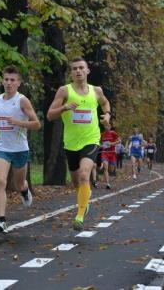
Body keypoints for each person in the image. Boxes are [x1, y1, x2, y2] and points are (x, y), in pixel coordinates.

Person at [46, 57, 111, 231]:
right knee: (77, 183)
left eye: (81, 68)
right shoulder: (64, 91)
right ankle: (84, 198)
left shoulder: (96, 91)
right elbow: (50, 115)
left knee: (84, 175)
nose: (78, 71)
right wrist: (64, 108)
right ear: (71, 72)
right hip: (71, 143)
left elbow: (104, 103)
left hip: (91, 139)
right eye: (74, 68)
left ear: (87, 71)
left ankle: (79, 216)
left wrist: (107, 115)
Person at [0, 65, 41, 233]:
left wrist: (17, 122)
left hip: (20, 149)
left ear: (18, 83)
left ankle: (24, 190)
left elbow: (36, 124)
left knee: (19, 184)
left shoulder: (22, 100)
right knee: (1, 181)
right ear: (2, 81)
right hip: (2, 148)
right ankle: (1, 220)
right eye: (6, 80)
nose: (8, 83)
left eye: (12, 80)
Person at [100, 123, 120, 189]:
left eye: (108, 126)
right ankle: (107, 184)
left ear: (110, 126)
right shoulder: (102, 134)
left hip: (112, 153)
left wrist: (112, 143)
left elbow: (119, 141)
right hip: (104, 152)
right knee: (105, 167)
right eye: (105, 125)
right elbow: (99, 143)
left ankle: (106, 176)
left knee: (111, 170)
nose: (106, 127)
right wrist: (101, 145)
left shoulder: (113, 133)